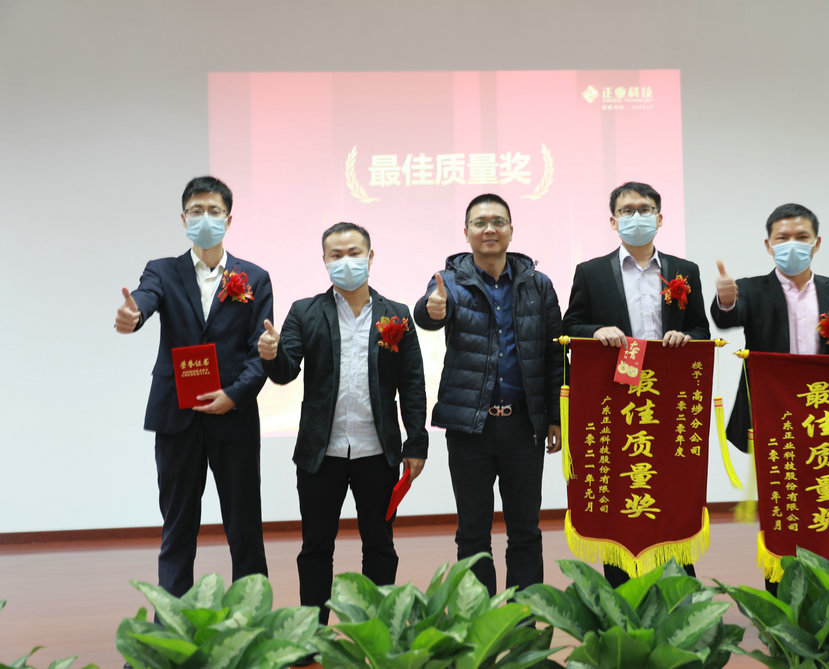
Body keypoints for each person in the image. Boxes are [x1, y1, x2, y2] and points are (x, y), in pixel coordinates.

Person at [258, 222, 427, 624]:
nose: (346, 261)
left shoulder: (396, 314)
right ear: (324, 261)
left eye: (354, 253)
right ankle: (312, 633)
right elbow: (286, 371)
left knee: (380, 545)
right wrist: (271, 354)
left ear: (370, 257)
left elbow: (412, 383)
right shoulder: (305, 311)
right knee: (316, 548)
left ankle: (378, 629)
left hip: (378, 452)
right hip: (321, 453)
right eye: (336, 255)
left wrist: (416, 442)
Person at [114, 175, 271, 598]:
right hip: (176, 415)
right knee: (177, 527)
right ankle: (170, 625)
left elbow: (260, 351)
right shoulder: (163, 270)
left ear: (229, 219)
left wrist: (234, 395)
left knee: (245, 528)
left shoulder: (254, 277)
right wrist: (133, 315)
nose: (205, 218)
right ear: (183, 219)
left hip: (234, 417)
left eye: (214, 211)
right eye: (196, 211)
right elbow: (145, 298)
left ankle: (254, 619)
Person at [414, 193, 562, 597]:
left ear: (511, 230)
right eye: (480, 223)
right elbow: (426, 312)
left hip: (523, 426)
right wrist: (432, 310)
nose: (489, 229)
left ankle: (524, 618)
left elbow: (554, 354)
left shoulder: (538, 285)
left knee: (526, 531)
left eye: (498, 221)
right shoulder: (449, 281)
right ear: (466, 232)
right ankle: (479, 618)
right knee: (473, 533)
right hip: (470, 427)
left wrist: (555, 417)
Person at [562, 181, 710, 586]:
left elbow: (701, 329)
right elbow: (569, 326)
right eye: (626, 211)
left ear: (660, 218)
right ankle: (622, 591)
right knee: (623, 493)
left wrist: (687, 337)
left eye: (645, 209)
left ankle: (680, 593)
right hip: (617, 402)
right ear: (613, 221)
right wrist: (595, 331)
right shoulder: (591, 272)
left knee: (670, 491)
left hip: (668, 402)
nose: (636, 217)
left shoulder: (684, 271)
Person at [710, 202, 829, 455]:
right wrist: (726, 301)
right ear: (768, 245)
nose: (792, 245)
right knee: (777, 476)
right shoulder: (750, 289)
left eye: (802, 237)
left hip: (825, 408)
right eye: (782, 238)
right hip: (770, 407)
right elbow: (727, 319)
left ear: (816, 243)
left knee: (824, 473)